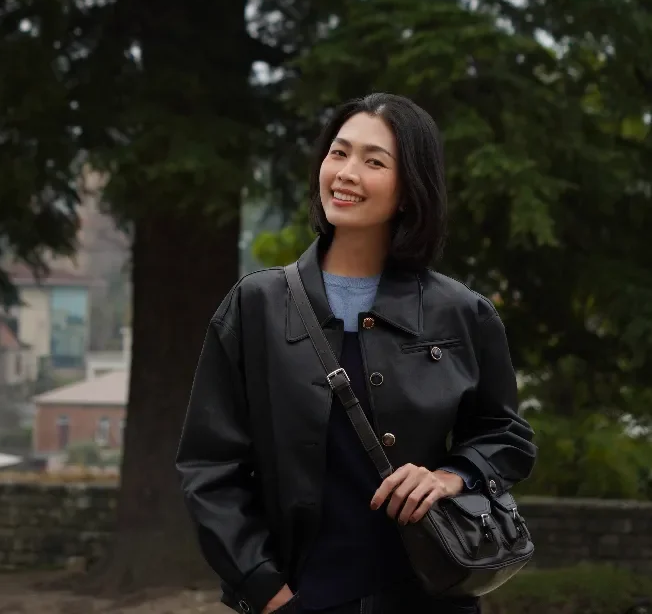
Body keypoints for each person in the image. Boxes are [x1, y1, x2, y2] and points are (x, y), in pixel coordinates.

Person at [176, 93, 537, 614]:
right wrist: (264, 588)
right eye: (338, 153)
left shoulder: (462, 313)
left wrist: (449, 475)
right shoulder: (254, 306)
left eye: (374, 161)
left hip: (428, 597)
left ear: (411, 189)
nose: (346, 173)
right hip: (299, 598)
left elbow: (506, 434)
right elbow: (210, 465)